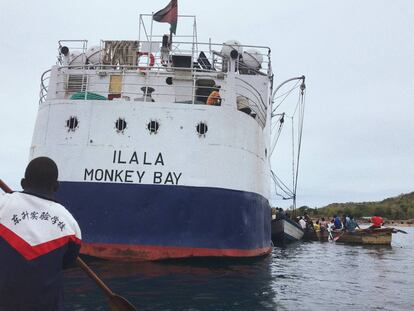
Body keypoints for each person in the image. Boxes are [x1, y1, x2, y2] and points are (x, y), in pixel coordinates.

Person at [0, 157, 82, 311]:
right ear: (56, 186)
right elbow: (67, 263)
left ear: (23, 183)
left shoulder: (3, 204)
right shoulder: (71, 225)